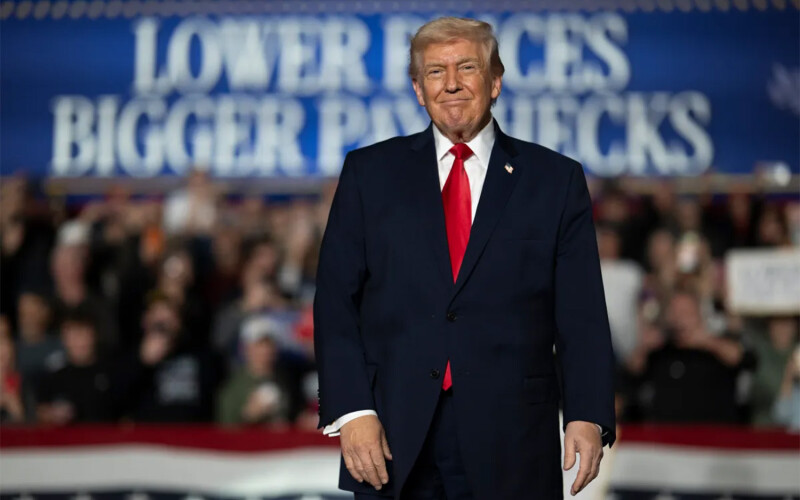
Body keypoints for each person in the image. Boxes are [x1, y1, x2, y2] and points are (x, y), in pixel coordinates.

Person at [313, 17, 615, 500]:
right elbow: (335, 304)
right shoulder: (369, 175)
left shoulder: (554, 181)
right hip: (392, 437)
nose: (450, 83)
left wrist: (587, 412)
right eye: (434, 72)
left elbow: (581, 314)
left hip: (514, 440)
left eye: (466, 67)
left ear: (495, 80)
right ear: (418, 89)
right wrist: (352, 412)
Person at [34, 307, 115, 425]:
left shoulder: (110, 372)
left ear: (94, 336)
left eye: (84, 334)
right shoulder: (53, 375)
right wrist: (51, 414)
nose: (80, 341)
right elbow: (39, 411)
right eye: (74, 336)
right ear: (64, 339)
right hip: (65, 440)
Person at [216, 315, 293, 426]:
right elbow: (223, 431)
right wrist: (248, 416)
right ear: (245, 348)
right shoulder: (232, 388)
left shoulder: (287, 381)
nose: (265, 350)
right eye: (259, 344)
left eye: (270, 344)